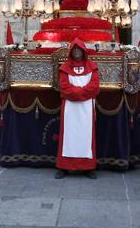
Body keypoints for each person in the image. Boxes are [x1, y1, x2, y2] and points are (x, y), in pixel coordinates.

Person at [55, 38, 100, 179]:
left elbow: (95, 86)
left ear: (83, 51)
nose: (76, 52)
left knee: (86, 137)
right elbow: (64, 87)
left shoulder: (92, 67)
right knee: (68, 136)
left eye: (78, 49)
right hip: (70, 107)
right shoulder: (64, 68)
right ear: (71, 52)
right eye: (74, 50)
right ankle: (64, 166)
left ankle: (88, 167)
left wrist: (79, 93)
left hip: (86, 107)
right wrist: (82, 93)